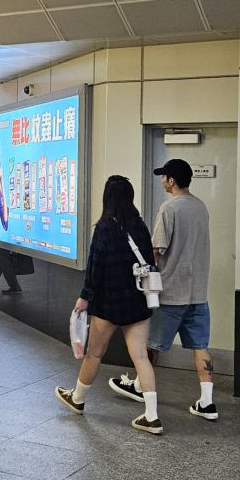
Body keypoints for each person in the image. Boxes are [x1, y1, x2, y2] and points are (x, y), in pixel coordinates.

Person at [55, 175, 163, 434]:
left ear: (107, 198)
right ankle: (151, 415)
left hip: (109, 301)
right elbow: (149, 260)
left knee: (94, 354)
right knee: (140, 356)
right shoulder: (139, 225)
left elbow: (95, 266)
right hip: (138, 300)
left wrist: (85, 296)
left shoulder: (104, 227)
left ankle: (78, 398)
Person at [137, 158, 217, 422]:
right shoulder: (201, 207)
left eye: (164, 177)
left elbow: (157, 249)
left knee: (150, 344)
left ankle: (140, 385)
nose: (162, 181)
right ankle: (207, 403)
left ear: (171, 180)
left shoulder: (168, 209)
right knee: (200, 346)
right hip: (198, 291)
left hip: (171, 291)